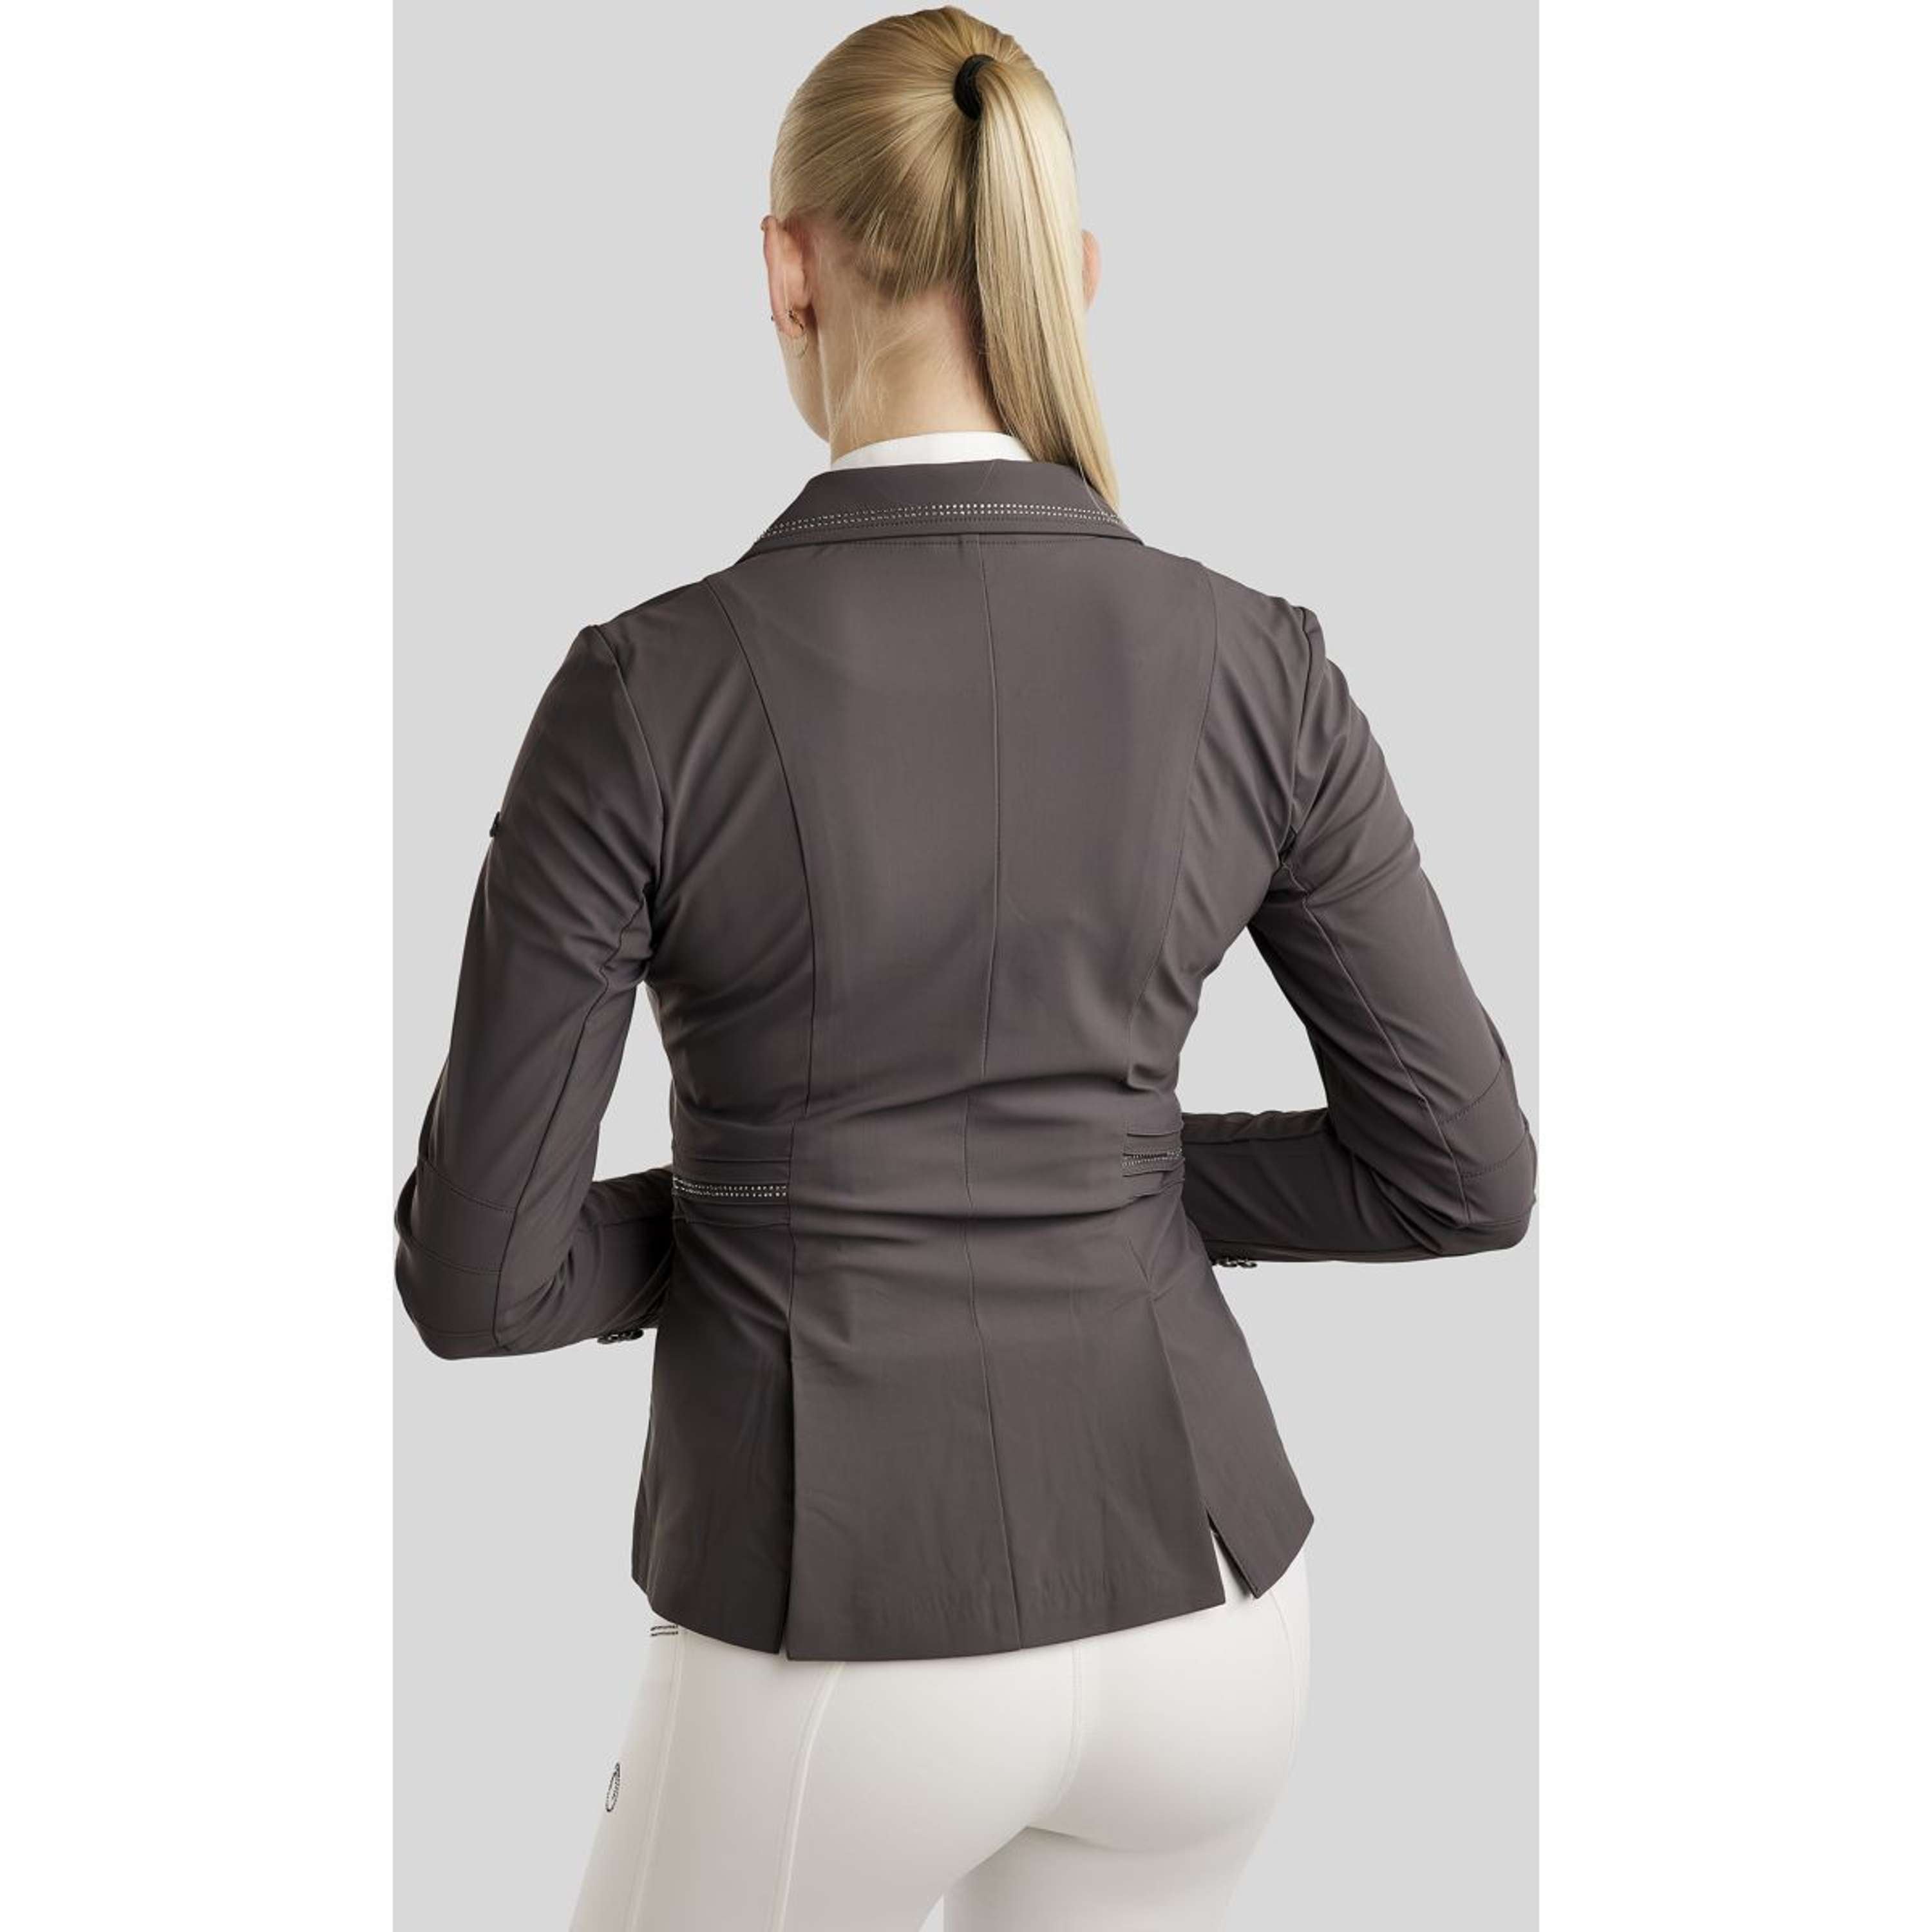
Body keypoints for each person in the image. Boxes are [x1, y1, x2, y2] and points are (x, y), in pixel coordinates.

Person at [393, 8, 1535, 1927]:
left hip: (831, 1637)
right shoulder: (1260, 665)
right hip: (1208, 1628)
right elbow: (1465, 1175)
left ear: (789, 268)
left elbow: (480, 1278)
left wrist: (785, 1203)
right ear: (1065, 272)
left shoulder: (647, 691)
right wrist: (1096, 1177)